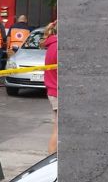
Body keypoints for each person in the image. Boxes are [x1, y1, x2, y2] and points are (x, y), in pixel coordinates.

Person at [42, 20, 58, 155]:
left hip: (53, 91)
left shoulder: (52, 45)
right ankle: (53, 161)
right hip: (57, 92)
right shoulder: (57, 47)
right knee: (58, 130)